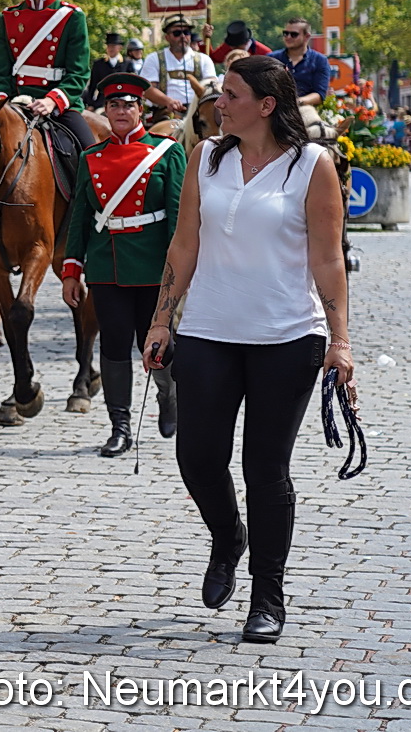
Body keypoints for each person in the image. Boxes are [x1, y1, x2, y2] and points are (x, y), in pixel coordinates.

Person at [141, 55, 353, 645]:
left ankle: (268, 596)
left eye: (230, 95)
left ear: (265, 105)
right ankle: (228, 534)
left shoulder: (312, 166)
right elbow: (184, 246)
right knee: (198, 455)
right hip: (208, 328)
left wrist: (340, 341)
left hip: (288, 337)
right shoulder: (205, 159)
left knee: (266, 469)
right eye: (219, 95)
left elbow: (328, 259)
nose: (218, 104)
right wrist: (162, 322)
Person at [61, 72, 186, 457]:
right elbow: (80, 217)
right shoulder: (91, 158)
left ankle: (169, 395)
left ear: (140, 110)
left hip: (152, 267)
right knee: (113, 348)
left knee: (156, 345)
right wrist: (71, 270)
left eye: (128, 105)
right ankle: (120, 426)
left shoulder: (166, 153)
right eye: (113, 105)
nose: (120, 111)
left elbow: (177, 215)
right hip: (107, 267)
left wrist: (177, 273)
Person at [0, 0, 95, 152]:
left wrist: (52, 101)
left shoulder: (71, 16)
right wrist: (4, 102)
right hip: (15, 103)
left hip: (59, 106)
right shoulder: (8, 18)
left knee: (89, 155)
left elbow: (79, 73)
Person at [140, 18, 217, 116]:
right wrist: (168, 102)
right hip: (165, 112)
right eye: (177, 33)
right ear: (167, 37)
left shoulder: (204, 59)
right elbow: (147, 89)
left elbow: (212, 88)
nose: (183, 36)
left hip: (198, 113)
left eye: (186, 32)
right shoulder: (153, 58)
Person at [273, 17, 331, 107]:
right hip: (275, 108)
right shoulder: (272, 59)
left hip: (305, 109)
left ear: (307, 37)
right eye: (286, 33)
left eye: (294, 34)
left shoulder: (320, 61)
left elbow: (319, 94)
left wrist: (297, 102)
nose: (288, 37)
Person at [88, 32, 125, 107]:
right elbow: (92, 85)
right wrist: (90, 103)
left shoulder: (127, 63)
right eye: (109, 46)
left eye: (113, 46)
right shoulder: (98, 64)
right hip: (103, 102)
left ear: (120, 48)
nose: (111, 48)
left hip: (122, 101)